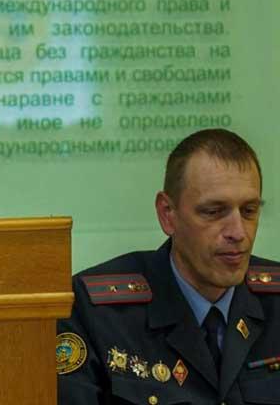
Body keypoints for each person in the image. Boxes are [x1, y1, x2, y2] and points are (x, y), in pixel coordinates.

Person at [57, 129, 280, 404]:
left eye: (249, 211)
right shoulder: (97, 314)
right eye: (213, 212)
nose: (238, 232)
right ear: (167, 214)